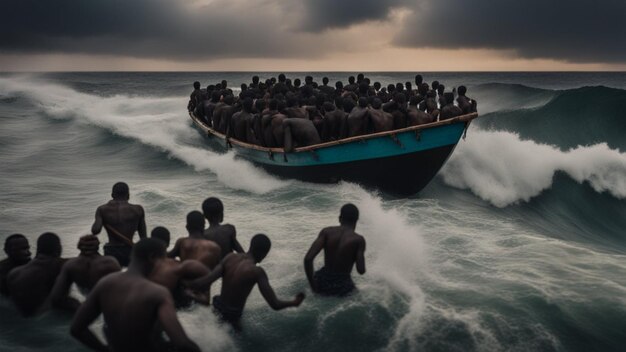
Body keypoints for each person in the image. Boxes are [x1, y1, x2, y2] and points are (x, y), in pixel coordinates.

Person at [70, 238, 201, 352]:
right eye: (163, 260)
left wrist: (105, 349)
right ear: (152, 257)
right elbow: (182, 343)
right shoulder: (157, 292)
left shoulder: (105, 283)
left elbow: (76, 329)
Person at [186, 234, 305, 331]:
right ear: (264, 254)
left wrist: (184, 285)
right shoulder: (257, 272)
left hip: (217, 307)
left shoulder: (230, 257)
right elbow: (275, 304)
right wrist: (294, 302)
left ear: (251, 246)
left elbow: (206, 281)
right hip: (232, 315)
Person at [304, 204, 366, 296]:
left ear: (340, 218)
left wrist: (313, 287)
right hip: (342, 286)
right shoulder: (358, 240)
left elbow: (308, 259)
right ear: (356, 220)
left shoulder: (326, 232)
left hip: (321, 281)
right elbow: (361, 270)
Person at [50, 235, 121, 313]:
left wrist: (81, 307)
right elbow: (121, 293)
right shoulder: (111, 263)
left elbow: (56, 298)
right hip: (109, 304)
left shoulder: (71, 265)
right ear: (97, 246)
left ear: (79, 246)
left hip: (84, 304)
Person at [148, 227, 211, 308]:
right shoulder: (177, 266)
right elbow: (204, 300)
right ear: (168, 242)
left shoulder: (143, 266)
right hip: (175, 306)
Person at [6, 232, 67, 316]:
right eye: (22, 249)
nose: (28, 253)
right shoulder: (56, 265)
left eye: (27, 248)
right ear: (58, 249)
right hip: (45, 319)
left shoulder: (13, 273)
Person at [91, 182, 146, 267]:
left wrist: (102, 217)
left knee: (113, 277)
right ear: (128, 195)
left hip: (111, 250)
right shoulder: (138, 209)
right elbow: (143, 238)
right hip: (130, 249)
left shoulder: (102, 209)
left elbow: (95, 230)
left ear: (112, 195)